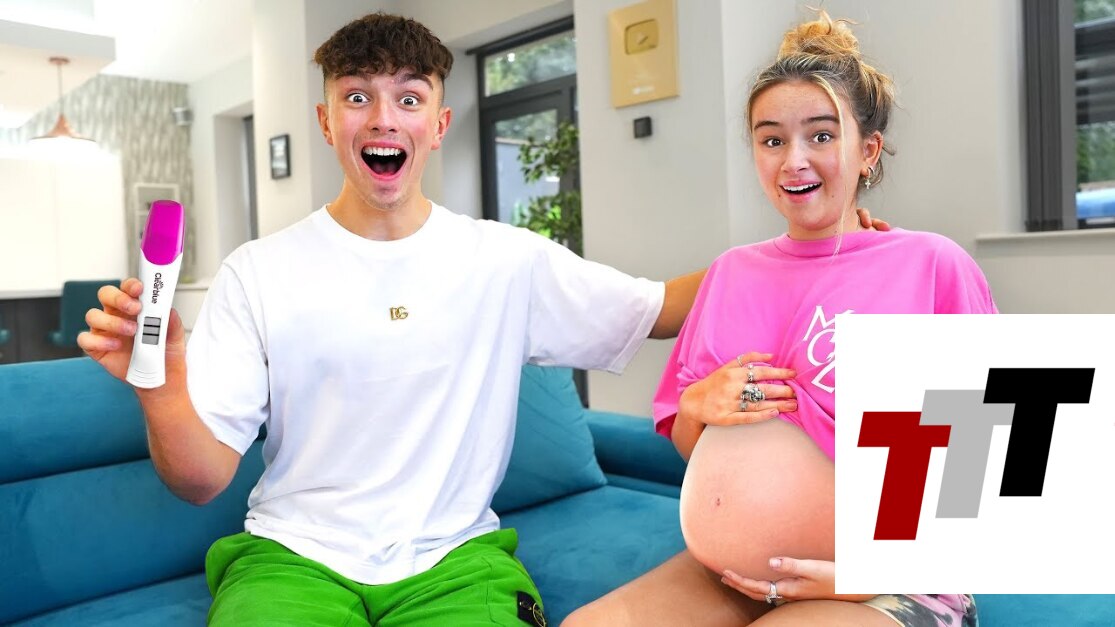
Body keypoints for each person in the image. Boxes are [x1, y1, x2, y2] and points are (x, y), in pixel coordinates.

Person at [79, 12, 885, 626]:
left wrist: (819, 251)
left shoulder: (505, 260)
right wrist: (161, 384)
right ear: (327, 122)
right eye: (357, 97)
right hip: (291, 558)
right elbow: (200, 481)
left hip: (457, 562)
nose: (382, 118)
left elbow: (661, 307)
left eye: (408, 98)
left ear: (437, 124)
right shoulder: (257, 272)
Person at [563, 11, 991, 627]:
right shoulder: (731, 273)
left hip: (888, 575)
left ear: (867, 151)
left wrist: (857, 576)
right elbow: (695, 448)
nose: (794, 160)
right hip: (730, 575)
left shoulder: (930, 264)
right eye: (771, 140)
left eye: (821, 136)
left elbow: (988, 466)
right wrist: (697, 407)